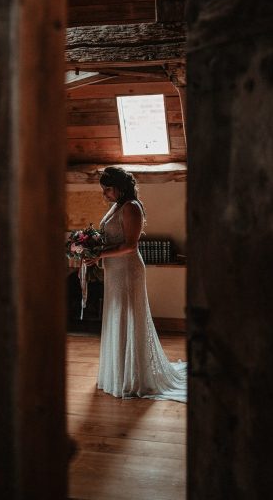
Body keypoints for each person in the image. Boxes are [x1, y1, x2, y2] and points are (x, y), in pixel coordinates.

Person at [85, 166, 187, 402]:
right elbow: (112, 237)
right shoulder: (117, 206)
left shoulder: (131, 207)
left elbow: (131, 246)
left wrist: (99, 255)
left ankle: (134, 375)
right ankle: (119, 371)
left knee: (129, 315)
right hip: (114, 270)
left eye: (107, 189)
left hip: (128, 270)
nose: (105, 195)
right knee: (116, 314)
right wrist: (91, 245)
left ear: (119, 187)